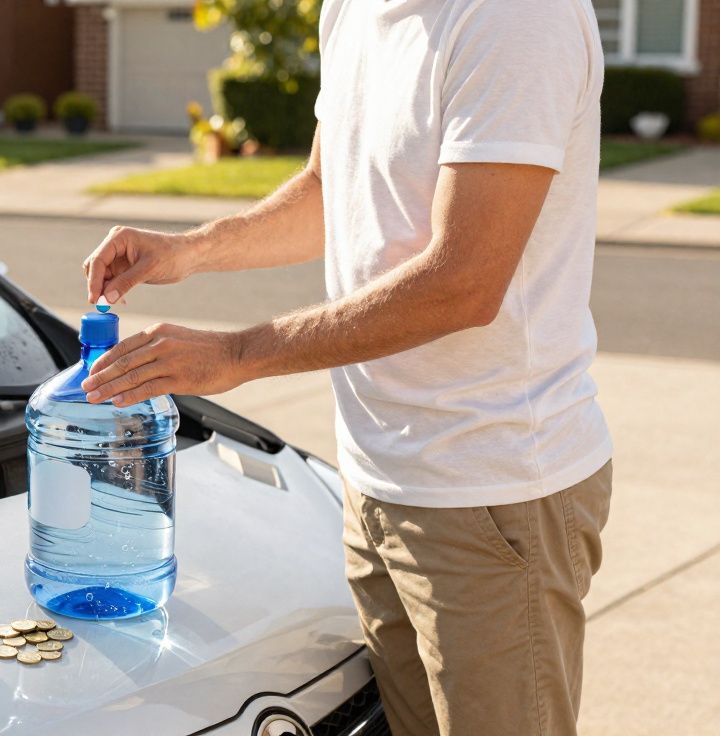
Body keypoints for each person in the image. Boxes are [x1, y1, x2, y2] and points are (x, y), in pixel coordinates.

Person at [78, 1, 613, 734]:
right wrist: (188, 250)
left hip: (491, 490)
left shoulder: (517, 17)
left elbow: (465, 281)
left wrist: (236, 354)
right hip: (374, 481)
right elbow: (328, 191)